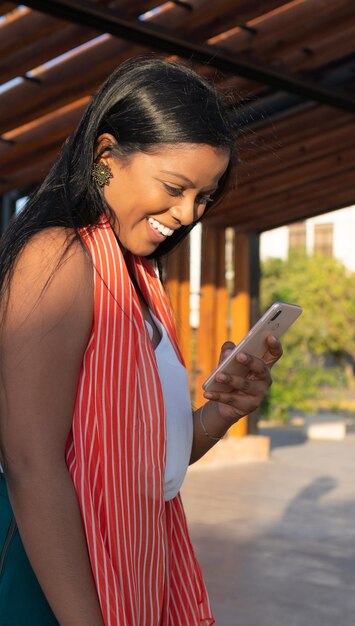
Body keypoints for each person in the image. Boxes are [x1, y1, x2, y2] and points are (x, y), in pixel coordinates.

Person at [0, 56, 282, 626]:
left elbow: (149, 466)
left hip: (111, 567)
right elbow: (31, 462)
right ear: (106, 157)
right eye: (175, 187)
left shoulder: (137, 280)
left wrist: (219, 413)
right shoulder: (59, 260)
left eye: (204, 197)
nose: (186, 214)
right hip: (48, 576)